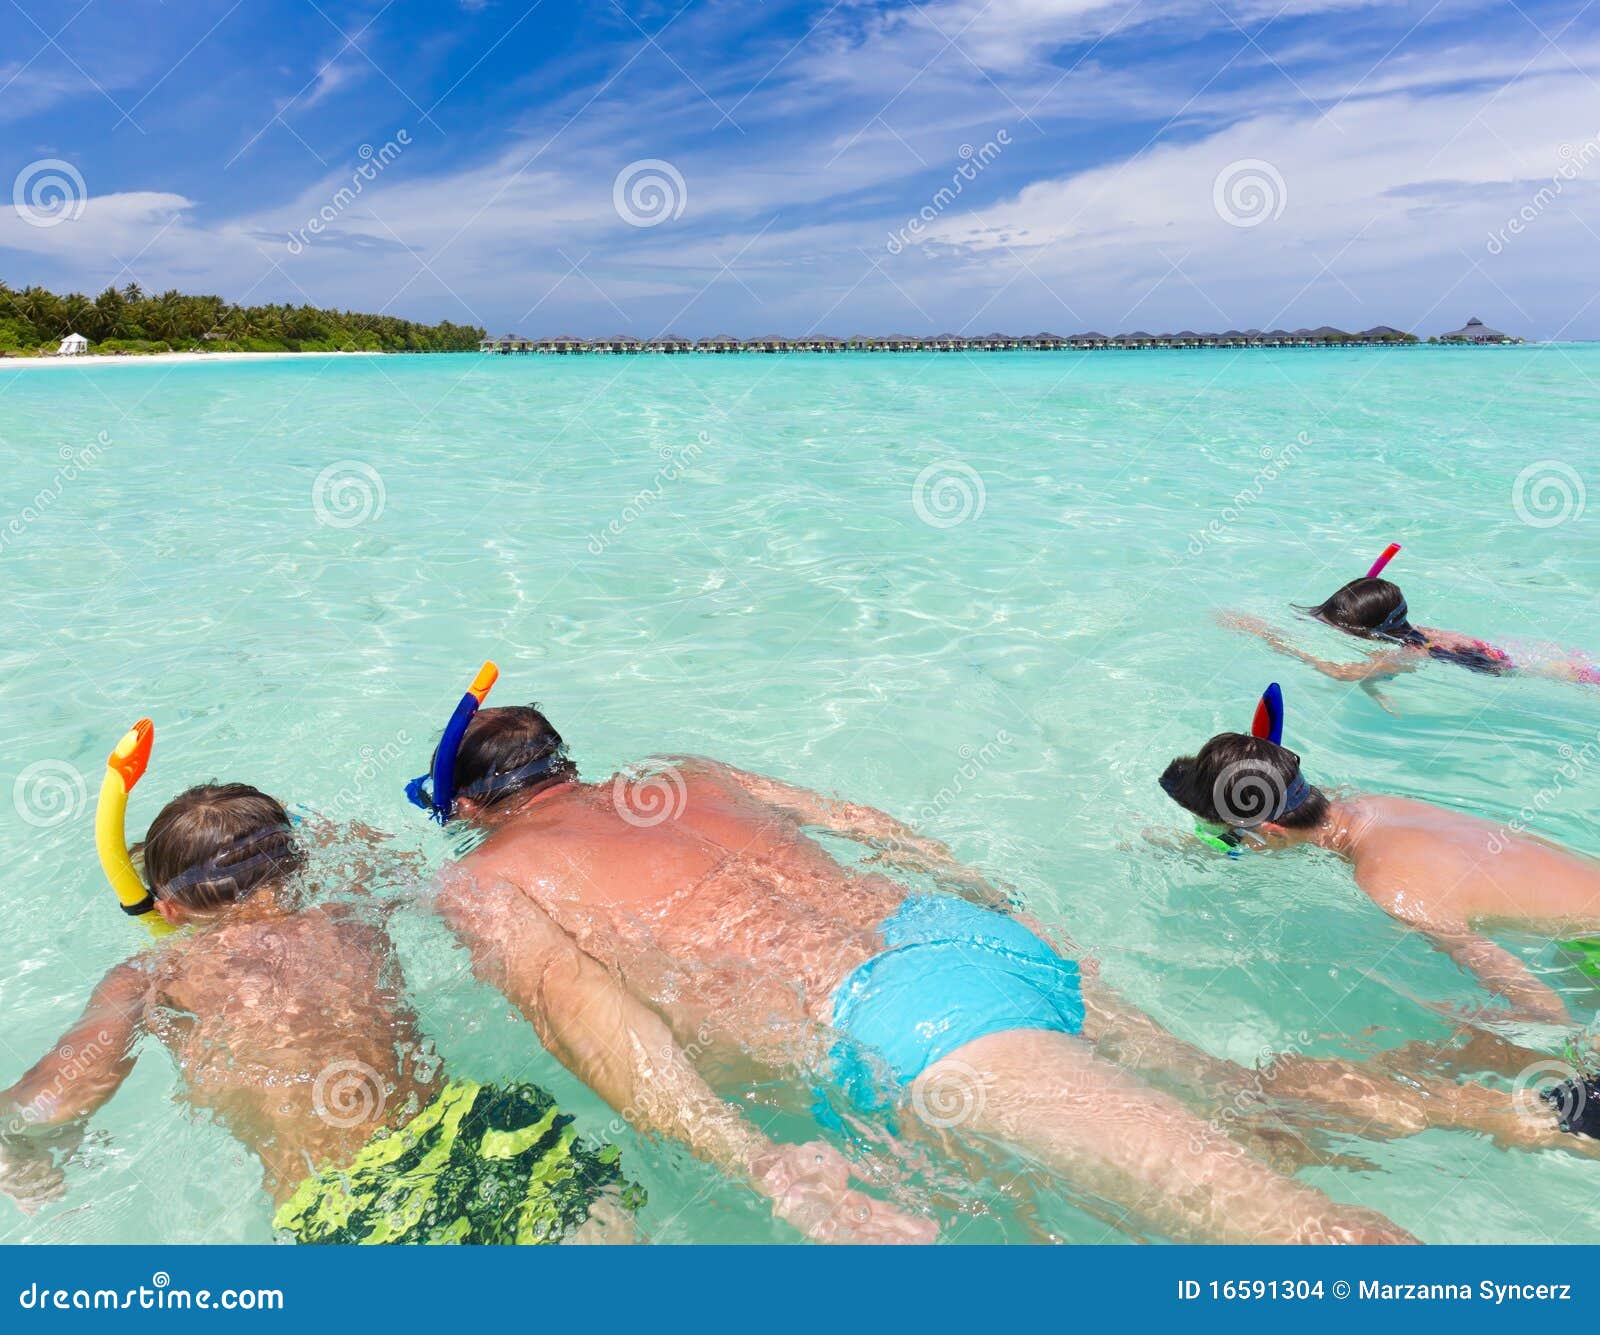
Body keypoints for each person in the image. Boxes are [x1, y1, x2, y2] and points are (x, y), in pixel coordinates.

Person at [408, 669, 1419, 1244]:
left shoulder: (485, 881)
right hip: (960, 930)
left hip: (910, 1018)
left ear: (462, 808)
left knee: (1297, 1233)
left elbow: (590, 1022)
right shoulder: (687, 773)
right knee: (1243, 1103)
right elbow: (865, 824)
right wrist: (979, 896)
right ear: (562, 761)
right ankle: (1522, 1109)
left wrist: (760, 1164)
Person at [0, 777, 643, 1245]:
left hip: (353, 1209)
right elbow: (412, 867)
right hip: (484, 1136)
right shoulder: (351, 907)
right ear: (300, 860)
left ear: (164, 909)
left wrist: (18, 1148)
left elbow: (52, 1100)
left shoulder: (154, 974)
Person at [1159, 697, 1600, 1026]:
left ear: (1271, 831)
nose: (1223, 843)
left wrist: (1458, 1017)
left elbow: (1543, 1008)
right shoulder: (1375, 806)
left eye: (1223, 836)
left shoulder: (1390, 884)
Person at [1223, 542, 1600, 687]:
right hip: (1487, 648)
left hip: (1492, 665)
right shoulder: (1409, 631)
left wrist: (1269, 637)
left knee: (1555, 673)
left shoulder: (1408, 652)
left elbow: (1341, 673)